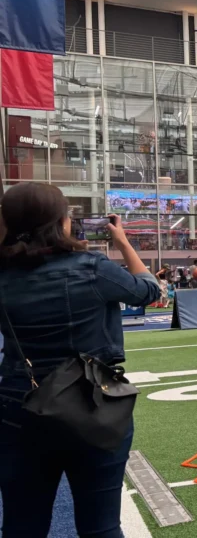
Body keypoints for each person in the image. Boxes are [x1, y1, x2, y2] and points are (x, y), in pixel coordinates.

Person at [0, 183, 160, 538]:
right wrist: (122, 242)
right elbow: (149, 290)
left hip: (18, 405)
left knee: (21, 526)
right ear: (61, 223)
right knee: (101, 527)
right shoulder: (91, 268)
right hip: (91, 401)